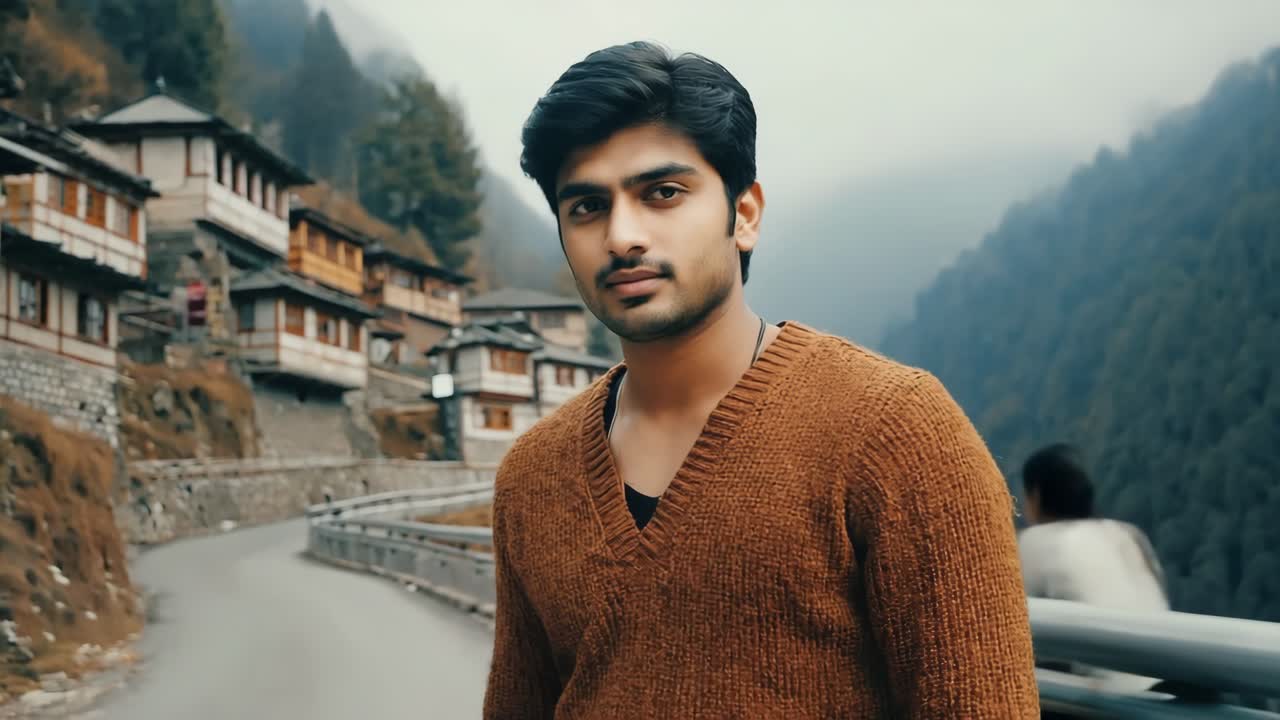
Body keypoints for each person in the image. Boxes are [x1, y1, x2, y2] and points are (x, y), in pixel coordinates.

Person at [482, 40, 1039, 719]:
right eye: (587, 207)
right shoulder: (532, 476)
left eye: (663, 193)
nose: (622, 236)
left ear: (743, 214)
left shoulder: (896, 431)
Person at [1017, 443, 1170, 693]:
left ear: (1036, 495)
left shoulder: (1032, 542)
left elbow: (1008, 627)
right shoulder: (1129, 535)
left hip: (1100, 700)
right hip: (1162, 689)